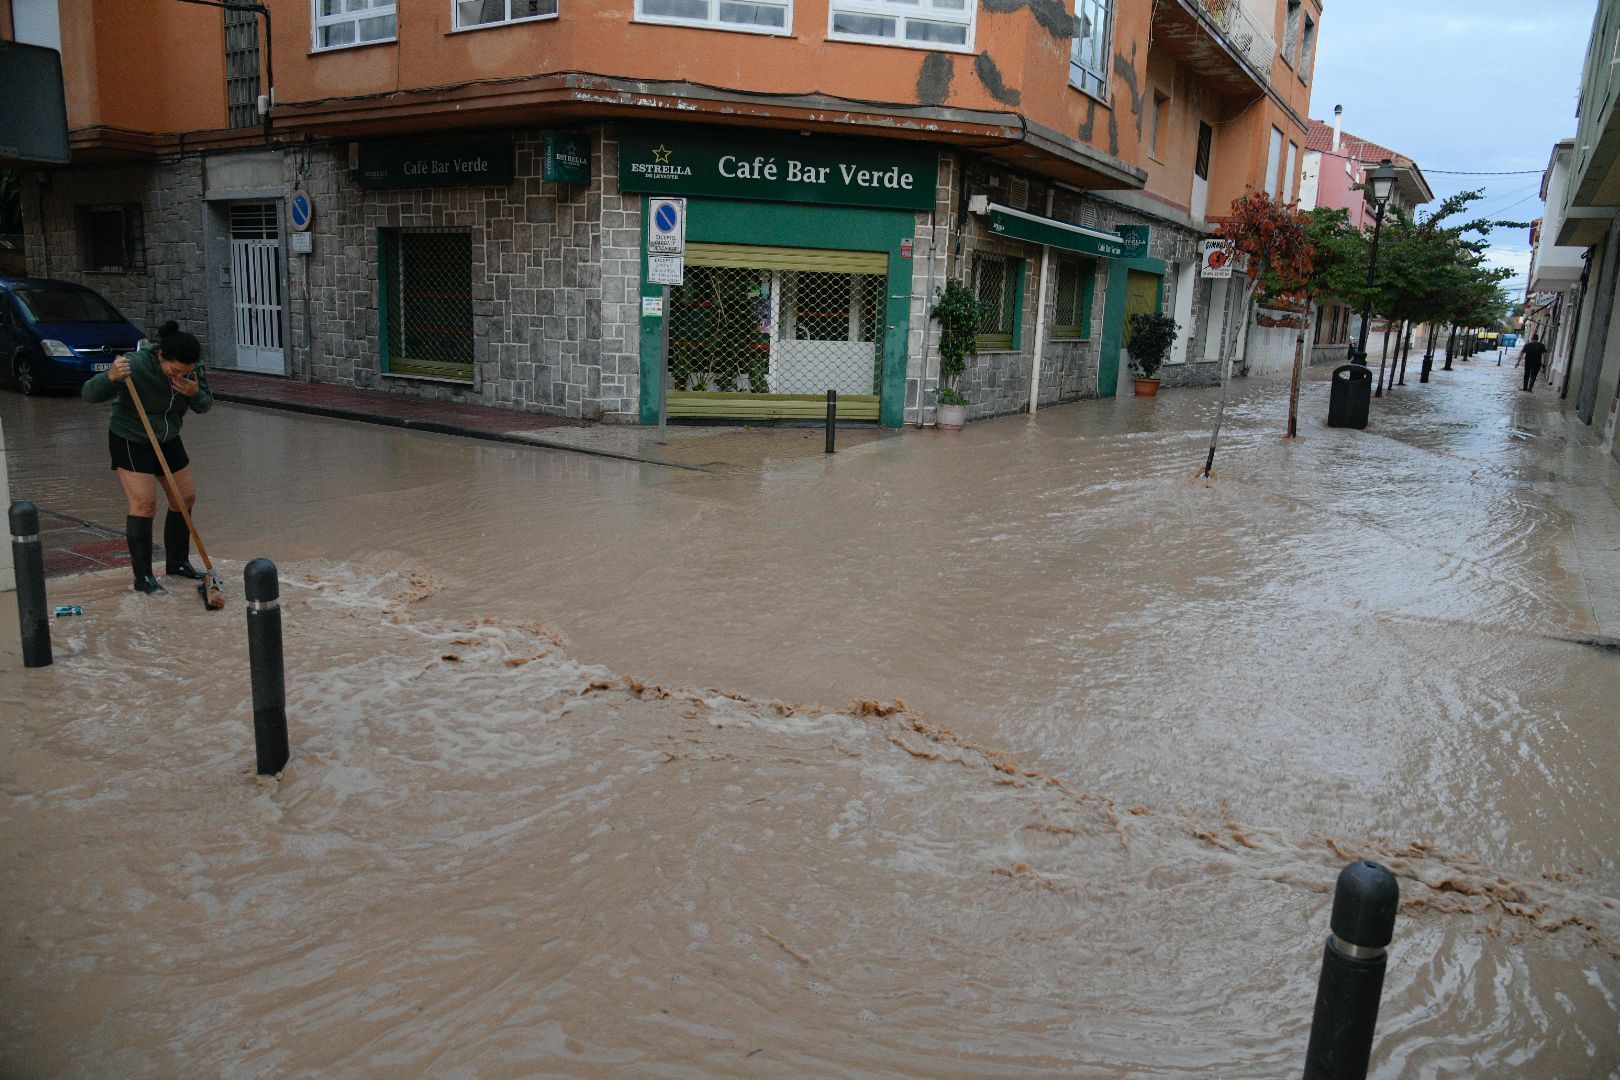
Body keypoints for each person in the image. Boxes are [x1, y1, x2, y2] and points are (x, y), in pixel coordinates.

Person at [81, 320, 213, 594]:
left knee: (185, 497)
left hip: (167, 437)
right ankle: (143, 578)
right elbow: (88, 394)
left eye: (185, 371)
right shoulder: (136, 364)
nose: (179, 375)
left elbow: (204, 406)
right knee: (144, 504)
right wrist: (110, 376)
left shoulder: (193, 370)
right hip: (131, 438)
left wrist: (195, 392)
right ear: (161, 355)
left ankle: (177, 563)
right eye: (174, 371)